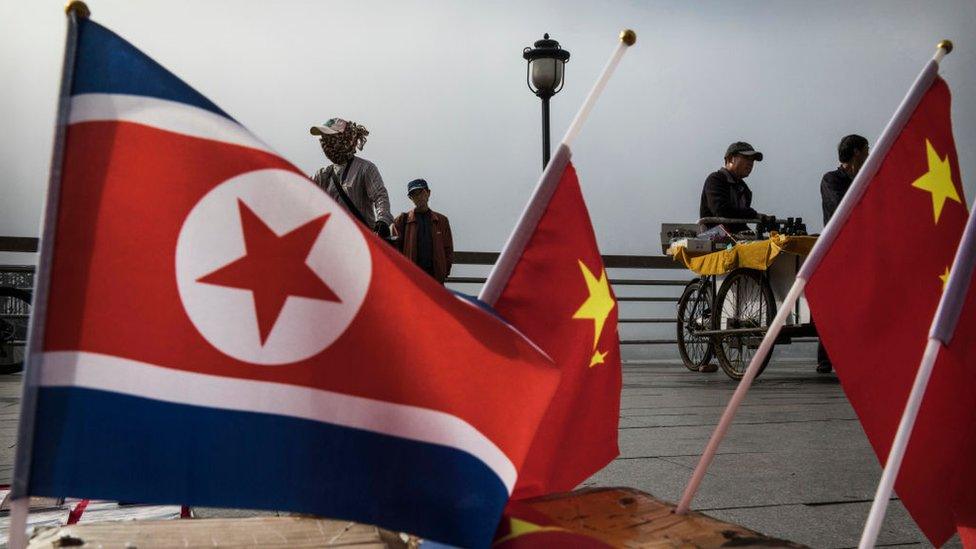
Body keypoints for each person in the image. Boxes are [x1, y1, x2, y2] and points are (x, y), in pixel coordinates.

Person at [816, 134, 870, 373]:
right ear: (856, 152)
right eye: (866, 150)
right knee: (835, 304)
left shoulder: (864, 179)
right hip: (837, 248)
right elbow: (840, 207)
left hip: (861, 246)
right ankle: (826, 357)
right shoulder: (831, 179)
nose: (869, 154)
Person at [310, 118, 393, 238]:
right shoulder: (323, 175)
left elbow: (380, 196)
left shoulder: (365, 169)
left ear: (343, 138)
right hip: (332, 240)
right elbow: (301, 191)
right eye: (323, 138)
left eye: (329, 137)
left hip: (362, 241)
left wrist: (383, 221)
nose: (325, 142)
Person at [393, 179, 454, 284]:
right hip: (412, 279)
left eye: (421, 192)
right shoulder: (402, 220)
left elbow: (448, 249)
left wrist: (443, 272)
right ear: (410, 198)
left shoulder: (441, 220)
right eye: (414, 195)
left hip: (435, 279)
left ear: (428, 193)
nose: (418, 197)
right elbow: (395, 250)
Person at [699, 142, 764, 233]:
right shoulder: (715, 180)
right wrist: (755, 215)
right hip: (715, 239)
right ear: (730, 159)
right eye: (746, 158)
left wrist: (764, 221)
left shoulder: (745, 190)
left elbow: (740, 223)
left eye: (752, 160)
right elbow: (721, 211)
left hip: (736, 239)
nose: (750, 163)